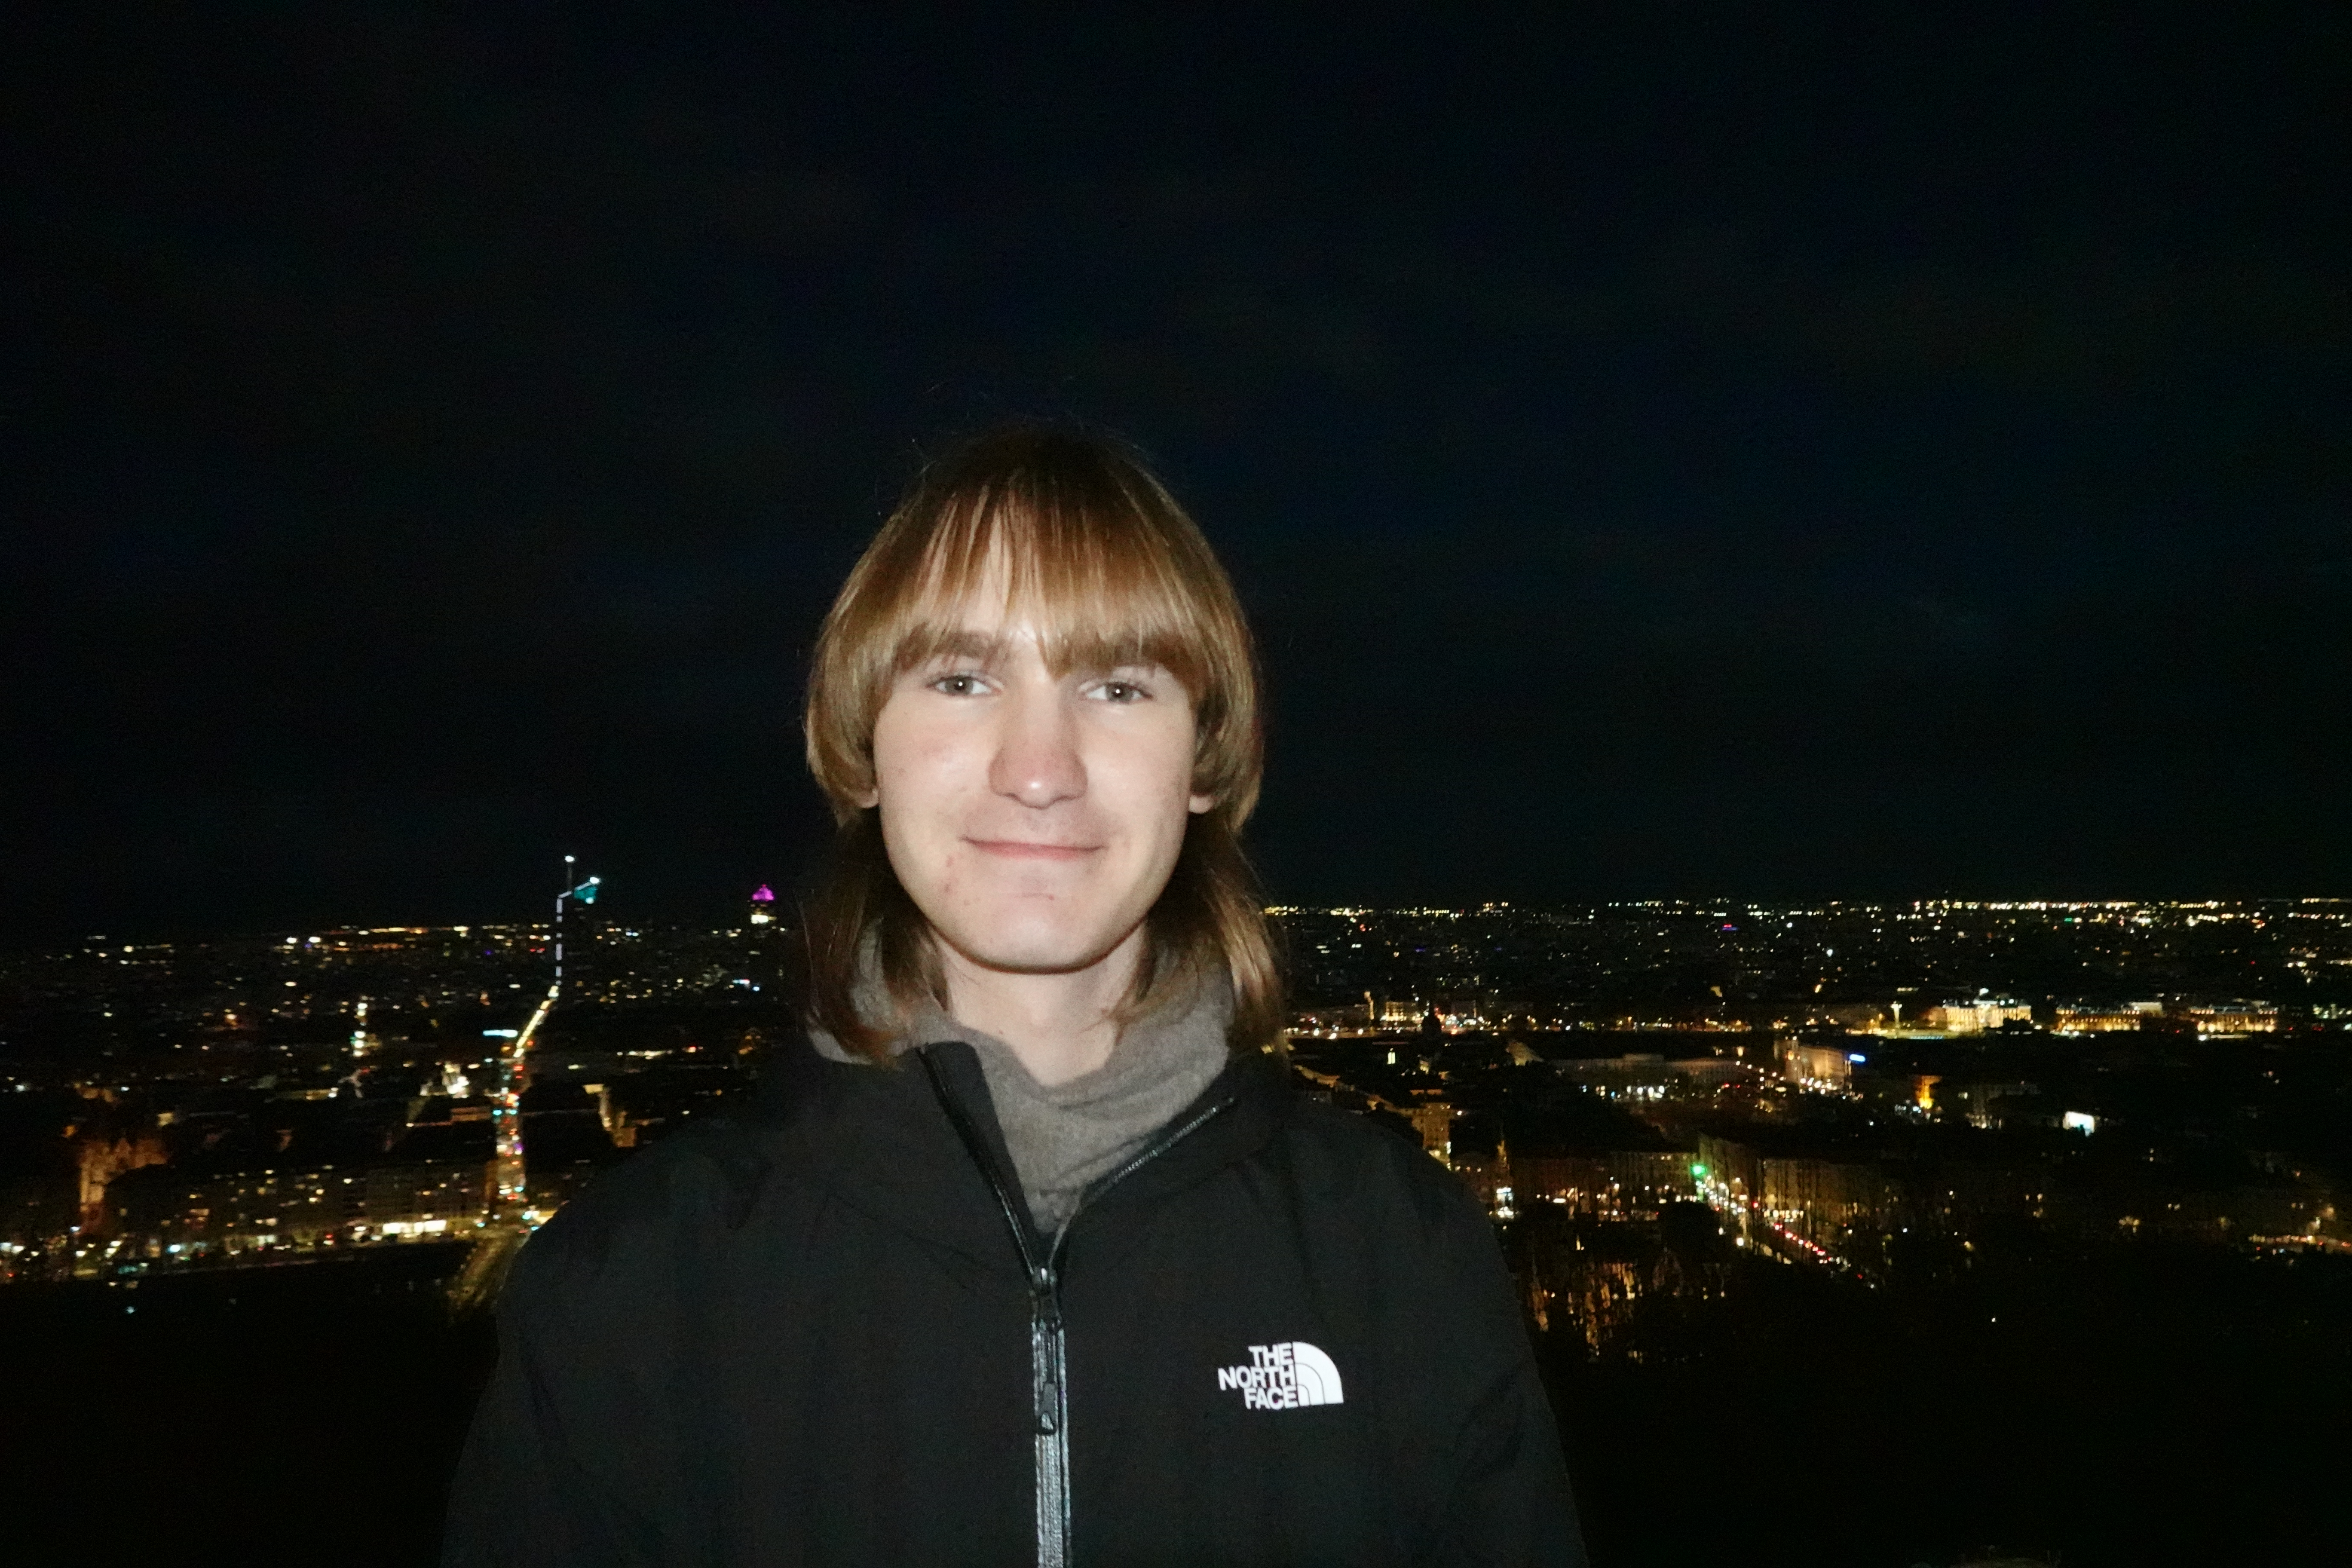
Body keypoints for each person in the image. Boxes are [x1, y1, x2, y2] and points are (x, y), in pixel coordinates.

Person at [442, 426, 1586, 1566]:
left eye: (1119, 685)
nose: (1038, 768)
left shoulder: (1399, 1256)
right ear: (862, 753)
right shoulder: (630, 1288)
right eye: (960, 678)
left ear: (1204, 764)